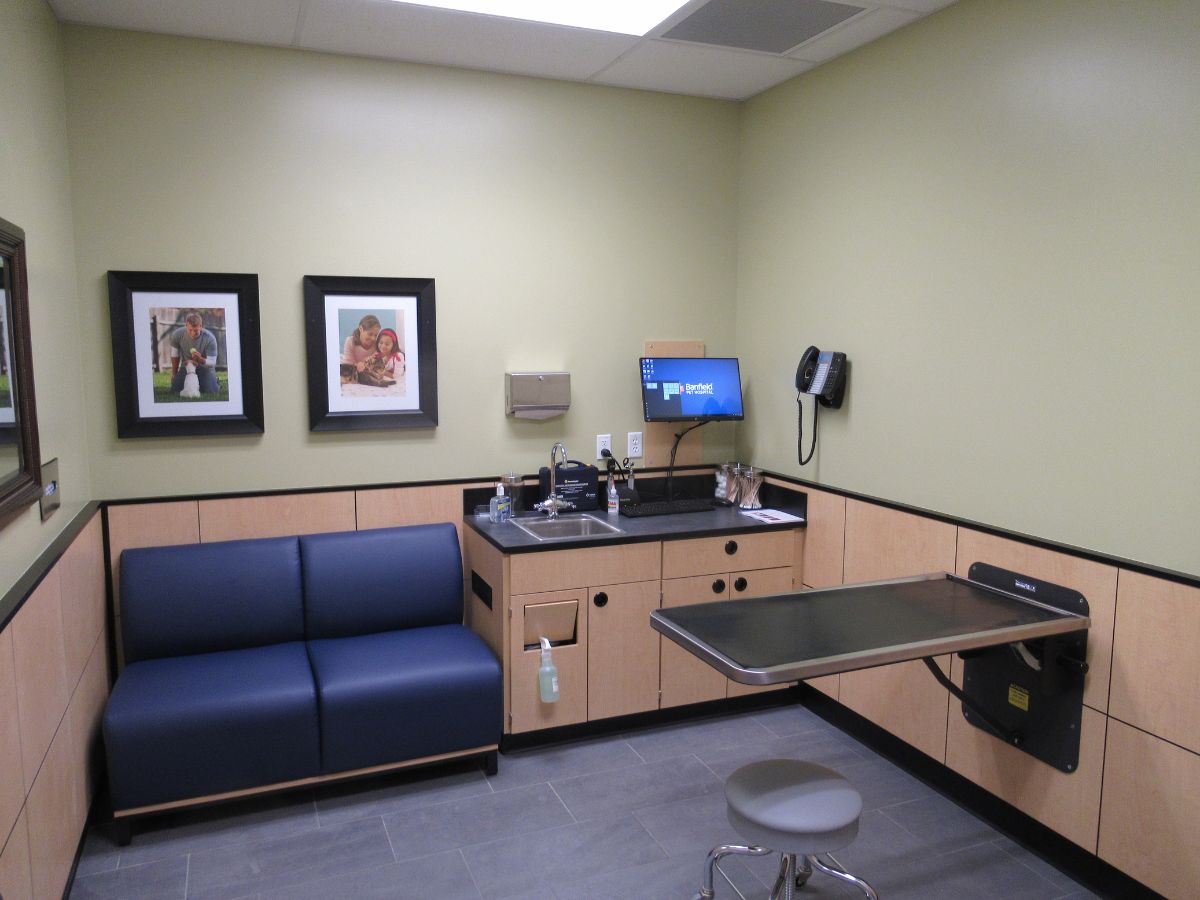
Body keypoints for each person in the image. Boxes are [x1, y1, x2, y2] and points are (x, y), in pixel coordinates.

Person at [169, 312, 219, 395]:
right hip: (187, 367)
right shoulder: (177, 334)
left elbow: (212, 362)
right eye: (190, 330)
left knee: (209, 391)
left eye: (196, 330)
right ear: (186, 326)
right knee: (175, 390)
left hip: (205, 368)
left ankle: (214, 380)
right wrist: (174, 374)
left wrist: (201, 360)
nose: (192, 333)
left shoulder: (210, 338)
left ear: (201, 326)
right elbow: (175, 355)